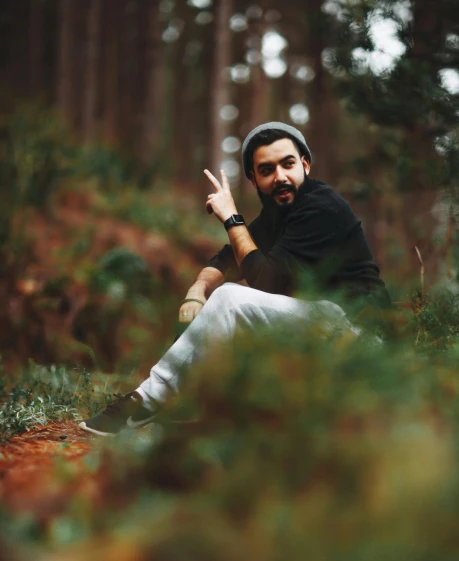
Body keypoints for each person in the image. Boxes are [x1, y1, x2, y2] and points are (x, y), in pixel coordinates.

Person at [80, 122, 390, 436]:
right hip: (325, 334)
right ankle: (219, 408)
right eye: (267, 170)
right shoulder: (276, 216)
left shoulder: (322, 207)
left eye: (288, 164)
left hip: (360, 339)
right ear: (254, 179)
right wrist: (197, 289)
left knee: (231, 300)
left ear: (306, 165)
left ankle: (147, 401)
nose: (280, 177)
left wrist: (231, 217)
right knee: (228, 304)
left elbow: (264, 279)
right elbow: (228, 259)